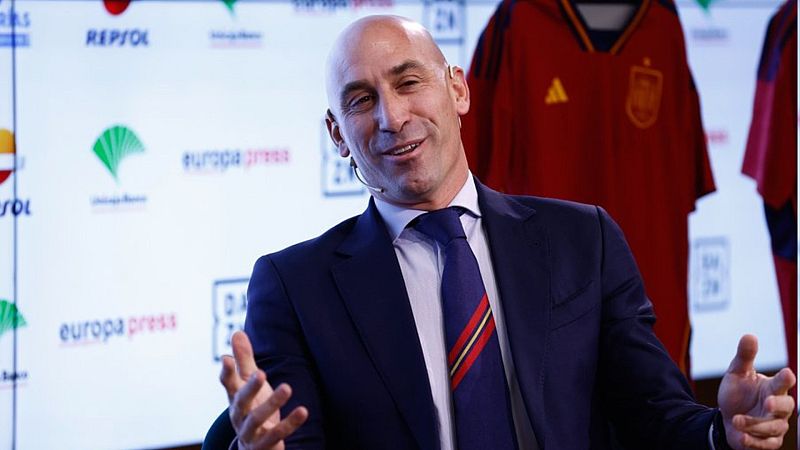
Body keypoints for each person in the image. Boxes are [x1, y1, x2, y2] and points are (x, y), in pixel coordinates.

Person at [215, 15, 796, 450]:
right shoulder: (294, 287)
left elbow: (652, 412)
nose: (392, 117)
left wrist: (723, 432)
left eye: (408, 82)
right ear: (338, 135)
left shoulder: (584, 240)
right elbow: (290, 437)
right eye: (362, 101)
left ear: (458, 90)